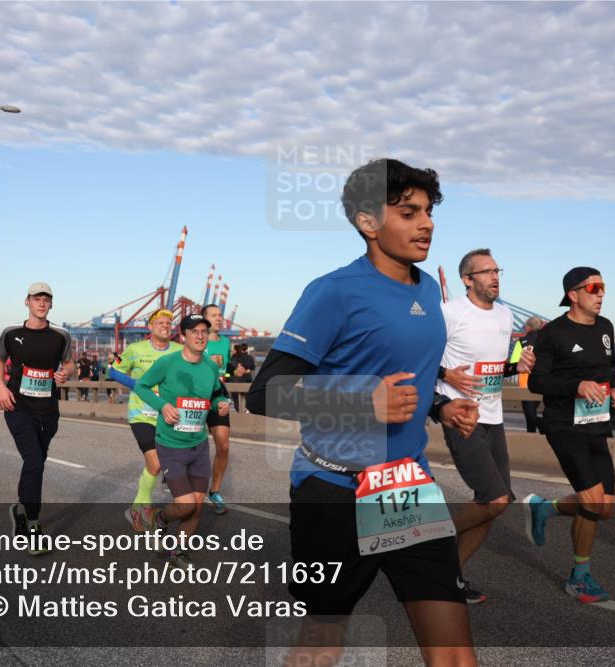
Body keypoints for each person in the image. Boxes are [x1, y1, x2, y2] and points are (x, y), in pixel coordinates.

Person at [247, 158, 480, 666]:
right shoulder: (334, 291)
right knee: (322, 647)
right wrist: (362, 403)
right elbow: (263, 393)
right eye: (407, 212)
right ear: (367, 223)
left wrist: (440, 405)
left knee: (456, 657)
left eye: (428, 211)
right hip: (335, 488)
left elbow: (403, 372)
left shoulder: (426, 289)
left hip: (406, 485)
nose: (426, 223)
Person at [523, 266, 615, 604]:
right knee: (593, 502)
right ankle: (579, 577)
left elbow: (607, 370)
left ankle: (544, 509)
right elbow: (537, 382)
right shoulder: (552, 333)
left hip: (596, 424)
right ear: (573, 294)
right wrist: (576, 386)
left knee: (605, 508)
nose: (601, 294)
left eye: (603, 287)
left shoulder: (607, 327)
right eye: (594, 287)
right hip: (563, 424)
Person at [437, 248, 535, 604]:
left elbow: (492, 369)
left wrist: (516, 367)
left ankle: (451, 578)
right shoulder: (448, 313)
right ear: (467, 279)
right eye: (487, 272)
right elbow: (417, 357)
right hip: (461, 416)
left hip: (493, 417)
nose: (495, 277)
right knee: (493, 499)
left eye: (498, 270)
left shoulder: (505, 315)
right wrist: (445, 374)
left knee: (496, 503)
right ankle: (435, 545)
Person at [133, 314, 230, 568]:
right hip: (171, 444)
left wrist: (220, 405)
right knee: (185, 505)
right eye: (194, 331)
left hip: (198, 444)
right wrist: (163, 405)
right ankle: (161, 519)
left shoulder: (209, 366)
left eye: (204, 331)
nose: (200, 335)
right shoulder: (168, 363)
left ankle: (179, 551)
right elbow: (142, 387)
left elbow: (217, 395)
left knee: (197, 505)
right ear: (183, 336)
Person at [0, 282, 74, 555]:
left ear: (51, 304)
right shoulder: (10, 333)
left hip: (48, 410)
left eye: (46, 299)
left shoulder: (61, 336)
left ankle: (19, 509)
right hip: (18, 407)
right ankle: (33, 524)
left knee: (36, 462)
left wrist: (66, 373)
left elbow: (69, 362)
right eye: (36, 298)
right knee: (34, 461)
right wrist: (0, 386)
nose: (41, 303)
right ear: (26, 302)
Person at [107, 309, 182, 531]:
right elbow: (113, 371)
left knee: (158, 466)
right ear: (150, 327)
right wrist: (136, 386)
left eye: (169, 323)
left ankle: (135, 508)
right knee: (156, 463)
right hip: (142, 414)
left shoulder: (179, 351)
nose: (166, 326)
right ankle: (145, 509)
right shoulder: (135, 349)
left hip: (170, 416)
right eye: (160, 322)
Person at [201, 303, 232, 514]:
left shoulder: (226, 342)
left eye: (220, 315)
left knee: (223, 446)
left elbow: (223, 373)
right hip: (195, 397)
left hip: (218, 397)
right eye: (214, 315)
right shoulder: (198, 341)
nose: (219, 318)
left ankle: (215, 491)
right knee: (194, 445)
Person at [511, 317, 545, 434]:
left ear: (528, 327)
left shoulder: (521, 341)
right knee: (533, 414)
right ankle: (534, 435)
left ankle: (540, 427)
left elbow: (514, 362)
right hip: (544, 383)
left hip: (526, 384)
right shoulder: (547, 340)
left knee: (530, 416)